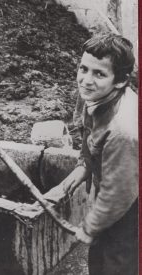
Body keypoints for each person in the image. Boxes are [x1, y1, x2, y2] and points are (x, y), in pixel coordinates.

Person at [62, 34, 138, 275]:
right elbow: (87, 130)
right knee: (97, 257)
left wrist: (89, 226)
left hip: (131, 201)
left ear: (120, 81)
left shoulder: (123, 130)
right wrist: (84, 164)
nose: (85, 80)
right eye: (83, 68)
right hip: (117, 184)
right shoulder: (92, 94)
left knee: (120, 260)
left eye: (99, 74)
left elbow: (119, 194)